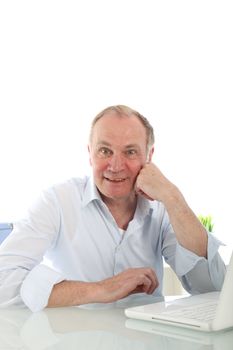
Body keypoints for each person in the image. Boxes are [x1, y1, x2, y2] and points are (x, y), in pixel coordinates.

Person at [0, 105, 226, 312]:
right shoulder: (57, 201)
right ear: (90, 154)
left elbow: (213, 289)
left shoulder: (163, 207)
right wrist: (99, 290)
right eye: (105, 151)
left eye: (130, 152)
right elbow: (4, 279)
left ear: (149, 156)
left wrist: (173, 197)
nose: (116, 166)